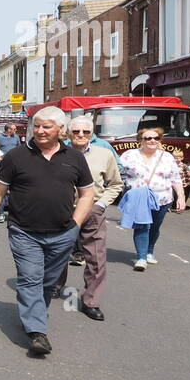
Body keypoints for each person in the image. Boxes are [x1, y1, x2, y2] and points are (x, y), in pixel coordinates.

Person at [0, 107, 94, 356]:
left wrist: (76, 224)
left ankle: (32, 312)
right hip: (24, 231)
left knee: (47, 282)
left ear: (60, 130)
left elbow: (86, 195)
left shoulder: (75, 158)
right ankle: (37, 332)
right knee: (30, 278)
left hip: (63, 233)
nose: (39, 131)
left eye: (46, 126)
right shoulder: (16, 156)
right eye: (36, 126)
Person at [53, 116, 123, 320]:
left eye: (85, 132)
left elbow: (115, 184)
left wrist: (100, 205)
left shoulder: (104, 154)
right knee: (57, 252)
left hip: (92, 211)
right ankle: (55, 286)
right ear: (68, 133)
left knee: (96, 258)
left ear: (92, 134)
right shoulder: (56, 154)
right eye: (76, 132)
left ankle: (90, 301)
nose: (81, 135)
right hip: (63, 211)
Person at [119, 126, 186, 270]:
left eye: (156, 138)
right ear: (140, 141)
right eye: (148, 138)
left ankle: (149, 251)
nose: (152, 140)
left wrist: (181, 197)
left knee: (155, 226)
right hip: (140, 197)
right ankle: (141, 258)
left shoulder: (167, 157)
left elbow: (175, 178)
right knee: (142, 225)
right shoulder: (129, 155)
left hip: (163, 198)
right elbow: (117, 172)